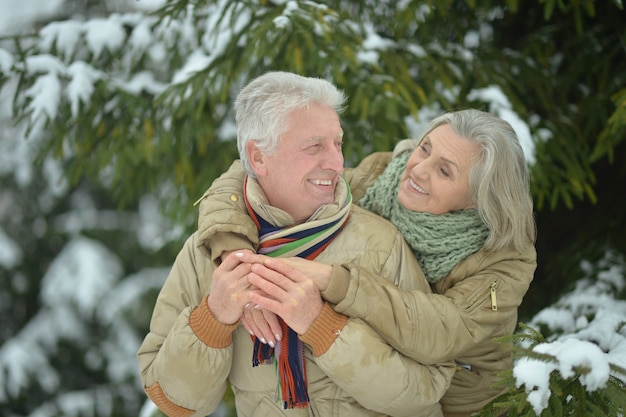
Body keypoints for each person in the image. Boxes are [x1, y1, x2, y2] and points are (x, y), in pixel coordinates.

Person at [137, 71, 455, 417]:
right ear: (258, 157)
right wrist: (214, 317)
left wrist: (321, 325)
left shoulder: (381, 243)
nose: (336, 163)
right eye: (314, 146)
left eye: (338, 143)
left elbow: (426, 390)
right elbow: (172, 402)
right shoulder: (209, 255)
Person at [196, 108, 538, 417]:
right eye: (424, 148)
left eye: (444, 171)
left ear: (478, 198)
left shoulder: (505, 256)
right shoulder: (378, 177)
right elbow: (247, 173)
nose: (418, 169)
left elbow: (441, 329)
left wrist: (334, 281)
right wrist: (239, 261)